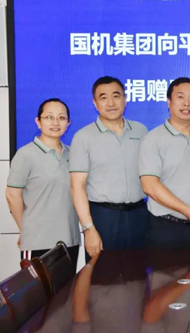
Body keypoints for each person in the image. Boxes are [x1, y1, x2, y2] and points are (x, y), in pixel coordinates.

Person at [70, 76, 148, 262]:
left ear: (125, 99)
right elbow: (77, 186)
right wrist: (88, 229)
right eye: (103, 97)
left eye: (116, 96)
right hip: (103, 218)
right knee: (102, 276)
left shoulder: (141, 131)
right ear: (95, 103)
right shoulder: (83, 137)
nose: (111, 103)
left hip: (139, 216)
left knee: (138, 274)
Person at [139, 77, 190, 250]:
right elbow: (149, 185)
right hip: (167, 229)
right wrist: (186, 210)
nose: (187, 103)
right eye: (180, 97)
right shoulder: (153, 139)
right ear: (169, 102)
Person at [6, 98, 80, 271]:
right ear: (38, 122)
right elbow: (12, 195)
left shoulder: (73, 154)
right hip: (38, 241)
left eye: (61, 118)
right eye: (49, 117)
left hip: (69, 240)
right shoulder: (25, 154)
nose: (55, 122)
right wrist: (25, 230)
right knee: (38, 288)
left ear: (68, 123)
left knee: (67, 288)